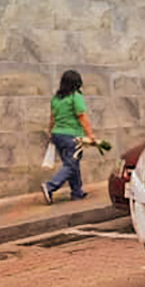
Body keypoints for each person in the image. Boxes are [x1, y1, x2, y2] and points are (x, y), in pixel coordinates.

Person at [42, 70, 96, 204]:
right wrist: (90, 134)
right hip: (72, 136)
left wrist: (50, 132)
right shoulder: (76, 96)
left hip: (58, 135)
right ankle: (50, 186)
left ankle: (77, 192)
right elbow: (82, 116)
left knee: (72, 163)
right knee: (71, 165)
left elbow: (52, 118)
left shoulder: (56, 98)